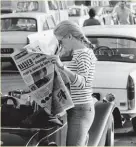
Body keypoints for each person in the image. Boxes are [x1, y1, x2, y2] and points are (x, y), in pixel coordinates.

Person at [50, 20, 97, 146]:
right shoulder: (80, 53)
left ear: (70, 36)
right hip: (78, 108)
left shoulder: (83, 54)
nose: (61, 45)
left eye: (61, 40)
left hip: (81, 109)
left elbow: (82, 82)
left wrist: (62, 67)